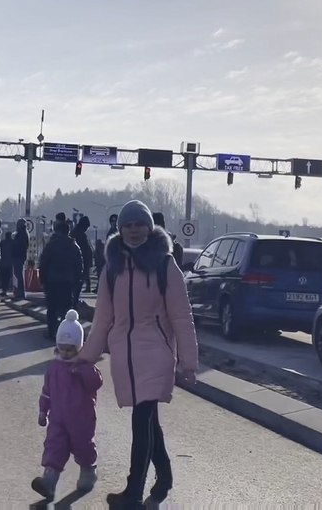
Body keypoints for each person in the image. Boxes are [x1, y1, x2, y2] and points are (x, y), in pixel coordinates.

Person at [74, 200, 199, 507]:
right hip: (124, 354)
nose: (133, 231)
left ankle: (133, 492)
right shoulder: (112, 269)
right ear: (120, 229)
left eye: (139, 224)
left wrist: (188, 362)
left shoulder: (164, 264)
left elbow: (182, 316)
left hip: (155, 350)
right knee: (148, 421)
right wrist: (85, 357)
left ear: (149, 227)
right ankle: (165, 476)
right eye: (128, 225)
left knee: (140, 420)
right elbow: (102, 318)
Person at [32, 309, 102, 498]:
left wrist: (83, 369)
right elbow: (47, 392)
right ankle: (49, 481)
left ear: (79, 347)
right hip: (58, 419)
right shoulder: (54, 368)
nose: (65, 352)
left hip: (82, 418)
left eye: (70, 349)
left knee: (83, 446)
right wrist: (42, 411)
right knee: (54, 446)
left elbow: (96, 383)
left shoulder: (85, 366)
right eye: (62, 348)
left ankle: (88, 471)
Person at [39, 221, 83, 340]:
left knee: (52, 309)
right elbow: (79, 266)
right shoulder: (74, 246)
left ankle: (51, 332)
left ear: (57, 231)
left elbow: (43, 264)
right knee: (66, 309)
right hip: (68, 282)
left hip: (52, 281)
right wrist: (76, 281)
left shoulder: (51, 246)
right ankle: (66, 334)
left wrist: (43, 280)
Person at [71, 216, 94, 300]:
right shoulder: (78, 234)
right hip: (82, 257)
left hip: (84, 257)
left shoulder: (78, 233)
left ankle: (86, 287)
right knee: (82, 275)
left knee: (85, 274)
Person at [12, 219, 30, 299]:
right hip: (20, 256)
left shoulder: (21, 234)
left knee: (18, 274)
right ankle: (19, 292)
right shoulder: (24, 233)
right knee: (18, 274)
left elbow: (19, 245)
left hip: (19, 256)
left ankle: (20, 293)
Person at [0, 231, 14, 297]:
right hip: (10, 262)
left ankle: (4, 290)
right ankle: (7, 289)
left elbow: (2, 251)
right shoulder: (13, 242)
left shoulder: (2, 242)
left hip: (3, 262)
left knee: (4, 277)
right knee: (8, 277)